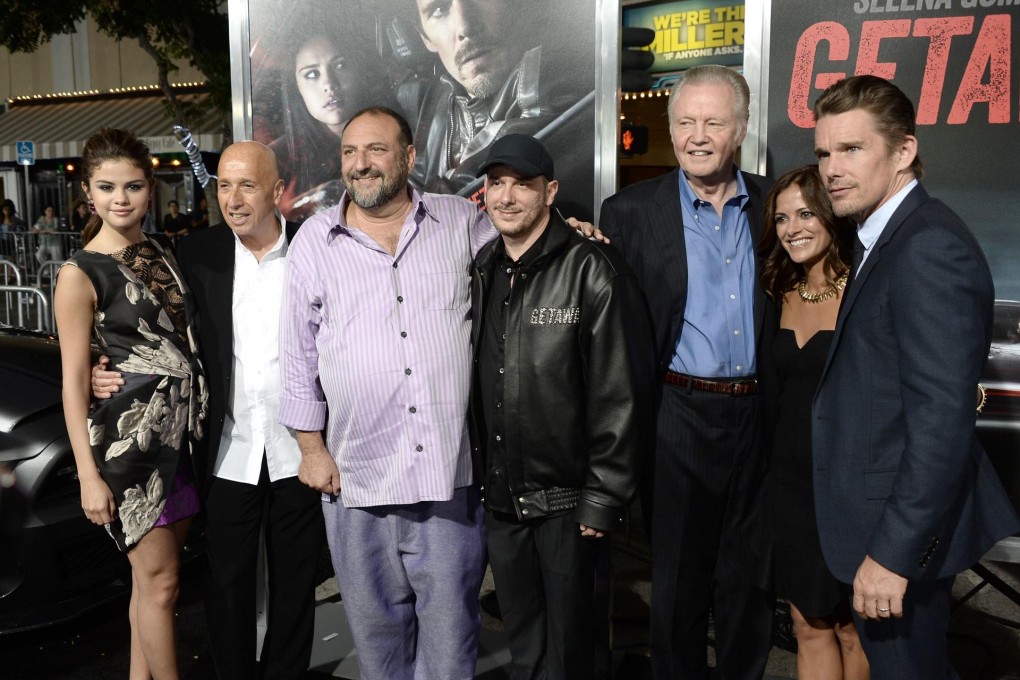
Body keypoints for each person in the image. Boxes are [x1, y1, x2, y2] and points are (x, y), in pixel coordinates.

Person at [810, 75, 1019, 679]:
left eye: (852, 149)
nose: (831, 168)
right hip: (881, 520)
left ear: (903, 152)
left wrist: (893, 555)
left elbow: (940, 423)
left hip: (895, 536)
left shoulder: (927, 247)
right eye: (824, 152)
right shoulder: (884, 237)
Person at [92, 141, 324, 680]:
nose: (233, 199)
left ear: (276, 190)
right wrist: (96, 368)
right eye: (223, 185)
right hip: (226, 448)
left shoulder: (316, 249)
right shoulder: (194, 256)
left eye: (246, 185)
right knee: (225, 585)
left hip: (301, 448)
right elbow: (136, 322)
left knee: (296, 584)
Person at [279, 105, 492, 680]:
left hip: (445, 476)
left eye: (376, 150)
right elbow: (296, 353)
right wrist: (311, 449)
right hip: (356, 477)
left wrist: (569, 228)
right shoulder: (315, 242)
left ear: (409, 157)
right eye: (350, 152)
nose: (360, 164)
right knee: (378, 646)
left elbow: (529, 247)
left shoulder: (461, 222)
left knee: (451, 646)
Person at [598, 64, 775, 680]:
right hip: (676, 414)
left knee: (749, 580)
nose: (697, 135)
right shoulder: (628, 212)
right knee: (675, 583)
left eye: (713, 122)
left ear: (742, 128)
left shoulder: (778, 207)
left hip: (760, 415)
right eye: (684, 122)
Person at [468, 133, 655, 679]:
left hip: (570, 505)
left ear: (549, 191)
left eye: (521, 184)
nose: (506, 196)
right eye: (496, 183)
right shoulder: (484, 266)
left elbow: (622, 393)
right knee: (524, 647)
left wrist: (602, 498)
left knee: (575, 651)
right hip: (505, 502)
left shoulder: (593, 268)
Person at [54, 127, 207, 680]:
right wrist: (87, 478)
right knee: (162, 583)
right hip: (131, 448)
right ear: (89, 195)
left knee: (152, 584)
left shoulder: (163, 250)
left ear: (151, 188)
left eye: (134, 185)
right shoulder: (78, 273)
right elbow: (72, 383)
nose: (121, 198)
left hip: (185, 439)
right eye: (107, 186)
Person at [756, 165, 868, 680]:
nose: (792, 228)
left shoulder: (864, 289)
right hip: (793, 486)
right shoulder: (781, 288)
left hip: (850, 487)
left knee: (853, 628)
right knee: (807, 623)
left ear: (830, 215)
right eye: (781, 218)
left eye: (805, 213)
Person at [405, 0, 594, 215]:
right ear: (425, 37)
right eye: (438, 9)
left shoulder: (555, 82)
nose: (465, 27)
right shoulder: (439, 98)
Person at [265, 17, 394, 222]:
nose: (329, 83)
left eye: (340, 65)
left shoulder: (395, 137)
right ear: (295, 87)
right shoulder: (280, 159)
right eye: (312, 74)